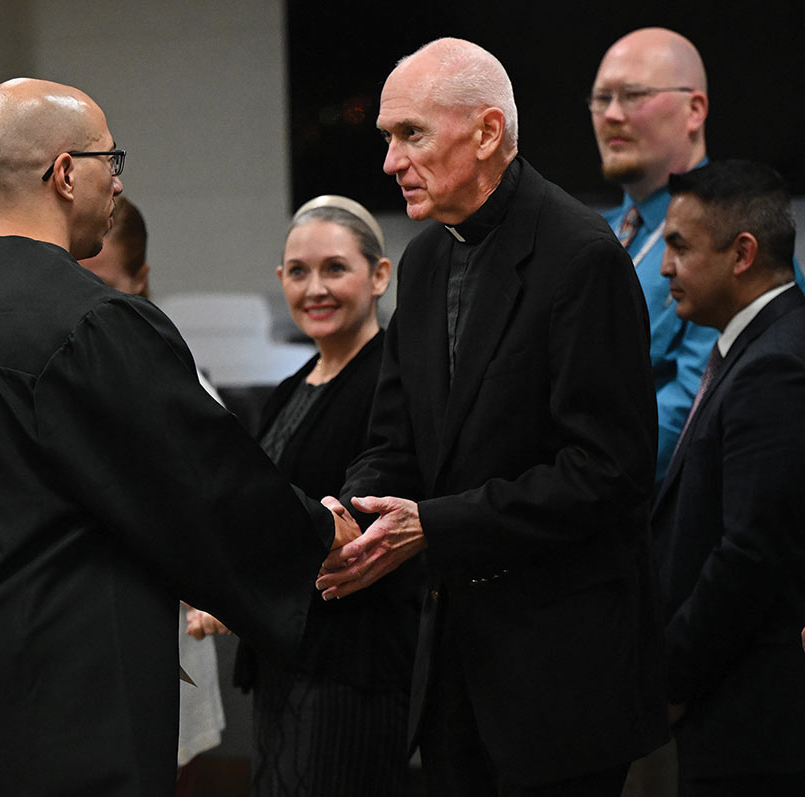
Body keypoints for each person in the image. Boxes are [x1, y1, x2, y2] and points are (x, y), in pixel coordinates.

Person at [0, 77, 358, 797]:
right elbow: (202, 484)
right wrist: (317, 534)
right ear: (64, 173)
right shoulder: (93, 324)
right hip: (45, 715)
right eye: (110, 162)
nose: (118, 183)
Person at [315, 38, 667, 796]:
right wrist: (356, 511)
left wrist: (433, 526)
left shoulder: (580, 256)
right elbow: (394, 439)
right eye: (387, 138)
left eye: (411, 134)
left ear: (485, 133)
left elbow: (610, 472)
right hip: (450, 668)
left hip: (557, 675)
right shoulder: (424, 260)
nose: (389, 162)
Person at [243, 195, 418, 795]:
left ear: (379, 276)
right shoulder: (289, 386)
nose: (314, 288)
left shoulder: (395, 378)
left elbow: (357, 520)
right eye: (298, 271)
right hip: (287, 653)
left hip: (353, 662)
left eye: (334, 268)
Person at [589, 27, 805, 486]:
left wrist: (576, 483)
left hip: (656, 512)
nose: (611, 114)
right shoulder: (594, 234)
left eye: (633, 95)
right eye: (600, 97)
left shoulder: (741, 235)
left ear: (695, 109)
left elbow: (697, 405)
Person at [652, 160, 805, 796]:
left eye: (680, 247)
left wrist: (671, 679)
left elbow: (751, 551)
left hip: (754, 722)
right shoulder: (753, 348)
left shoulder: (776, 365)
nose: (665, 268)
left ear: (742, 253)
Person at [78, 195, 227, 778]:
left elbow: (218, 519)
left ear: (140, 281)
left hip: (157, 638)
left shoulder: (180, 384)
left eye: (101, 286)